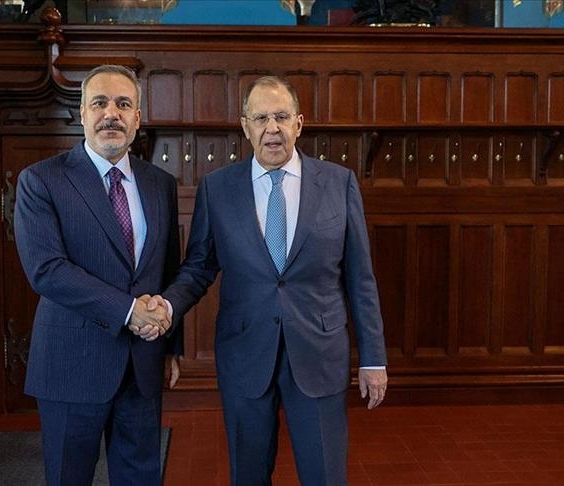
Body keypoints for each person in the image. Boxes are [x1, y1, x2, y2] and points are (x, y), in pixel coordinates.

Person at [152, 76, 388, 485]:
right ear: (245, 126)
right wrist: (168, 307)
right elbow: (198, 267)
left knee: (325, 476)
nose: (272, 128)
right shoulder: (217, 188)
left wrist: (373, 358)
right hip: (244, 355)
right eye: (260, 118)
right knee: (249, 475)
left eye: (281, 116)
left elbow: (360, 278)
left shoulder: (339, 182)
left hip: (319, 354)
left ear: (299, 123)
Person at [13, 64, 181, 485]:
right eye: (100, 103)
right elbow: (47, 270)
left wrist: (170, 347)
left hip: (142, 366)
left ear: (137, 118)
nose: (111, 114)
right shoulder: (41, 180)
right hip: (72, 366)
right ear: (82, 114)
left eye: (123, 104)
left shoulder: (160, 183)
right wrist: (129, 311)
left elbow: (168, 269)